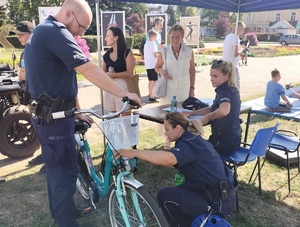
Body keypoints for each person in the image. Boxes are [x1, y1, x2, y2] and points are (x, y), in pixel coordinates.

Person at [24, 0, 141, 226]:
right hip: (54, 120)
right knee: (63, 176)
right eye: (82, 27)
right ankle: (65, 220)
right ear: (69, 14)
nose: (81, 34)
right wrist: (124, 94)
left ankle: (64, 211)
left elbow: (53, 79)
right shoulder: (54, 32)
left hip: (53, 115)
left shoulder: (41, 31)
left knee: (58, 170)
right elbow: (88, 68)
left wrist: (74, 111)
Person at [116, 112, 236, 226]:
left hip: (216, 202)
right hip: (221, 194)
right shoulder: (192, 139)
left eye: (167, 129)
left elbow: (170, 159)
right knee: (179, 191)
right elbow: (173, 161)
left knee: (165, 196)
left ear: (178, 128)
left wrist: (135, 152)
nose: (165, 133)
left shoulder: (187, 144)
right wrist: (150, 157)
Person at [185, 60, 241, 156]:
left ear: (226, 76)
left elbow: (224, 111)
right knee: (194, 145)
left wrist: (207, 117)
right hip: (232, 139)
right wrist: (192, 113)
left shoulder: (225, 91)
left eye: (215, 76)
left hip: (224, 142)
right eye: (211, 76)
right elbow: (211, 109)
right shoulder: (231, 89)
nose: (211, 79)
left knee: (191, 147)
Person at [155, 24, 196, 149]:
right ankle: (167, 139)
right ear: (169, 37)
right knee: (169, 115)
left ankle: (183, 139)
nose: (175, 39)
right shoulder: (164, 51)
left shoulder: (188, 51)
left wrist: (192, 89)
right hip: (169, 89)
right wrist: (161, 71)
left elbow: (192, 71)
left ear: (182, 37)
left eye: (178, 37)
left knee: (183, 115)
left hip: (184, 87)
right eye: (172, 37)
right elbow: (157, 66)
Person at [102, 26, 135, 115]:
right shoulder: (106, 55)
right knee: (112, 120)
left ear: (116, 37)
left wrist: (113, 75)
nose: (105, 38)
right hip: (110, 89)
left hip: (123, 87)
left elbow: (130, 73)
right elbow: (102, 73)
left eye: (108, 36)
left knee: (125, 120)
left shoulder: (127, 52)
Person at [222, 21, 246, 90]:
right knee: (236, 86)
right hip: (232, 66)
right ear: (238, 29)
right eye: (242, 29)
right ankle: (236, 100)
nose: (242, 31)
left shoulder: (228, 37)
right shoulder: (236, 38)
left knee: (227, 85)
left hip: (225, 64)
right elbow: (235, 54)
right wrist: (242, 49)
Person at [144, 30, 159, 102]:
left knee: (150, 80)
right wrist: (161, 56)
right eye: (155, 37)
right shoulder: (153, 44)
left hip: (148, 65)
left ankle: (151, 94)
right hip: (153, 64)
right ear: (152, 36)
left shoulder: (146, 44)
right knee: (155, 81)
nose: (156, 38)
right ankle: (152, 95)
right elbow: (155, 55)